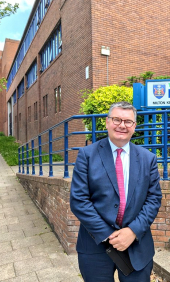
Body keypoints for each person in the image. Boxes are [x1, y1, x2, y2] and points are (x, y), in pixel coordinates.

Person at [70, 101, 162, 282]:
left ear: (134, 126)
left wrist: (133, 231)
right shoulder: (86, 155)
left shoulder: (148, 158)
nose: (122, 125)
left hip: (136, 245)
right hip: (95, 244)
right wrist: (108, 235)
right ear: (107, 122)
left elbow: (153, 199)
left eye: (128, 121)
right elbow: (79, 200)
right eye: (116, 119)